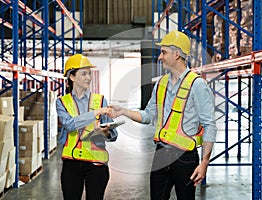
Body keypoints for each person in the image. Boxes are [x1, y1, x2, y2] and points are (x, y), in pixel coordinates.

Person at [109, 30, 217, 200]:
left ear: (176, 54)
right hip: (160, 154)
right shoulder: (161, 83)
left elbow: (210, 125)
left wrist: (204, 163)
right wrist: (124, 111)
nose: (160, 57)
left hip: (185, 158)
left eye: (164, 52)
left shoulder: (197, 85)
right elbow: (149, 115)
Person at [56, 54, 117, 200]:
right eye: (83, 73)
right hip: (72, 163)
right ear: (72, 77)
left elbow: (113, 135)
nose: (88, 77)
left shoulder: (100, 100)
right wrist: (95, 113)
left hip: (97, 164)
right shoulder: (62, 102)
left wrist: (105, 132)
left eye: (89, 73)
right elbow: (70, 125)